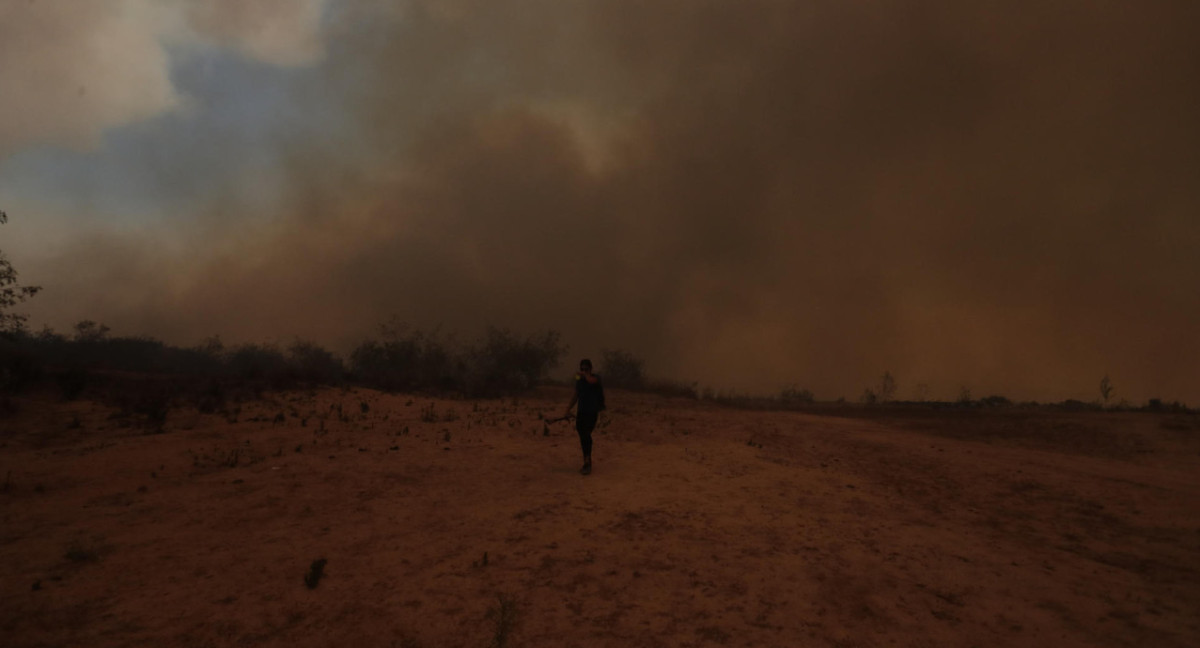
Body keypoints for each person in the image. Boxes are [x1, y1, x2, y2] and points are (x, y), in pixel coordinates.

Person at [564, 358, 605, 475]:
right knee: (583, 435)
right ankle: (587, 460)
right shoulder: (580, 381)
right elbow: (576, 395)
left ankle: (587, 461)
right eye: (581, 369)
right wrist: (568, 409)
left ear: (590, 369)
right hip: (581, 412)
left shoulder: (596, 378)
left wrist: (585, 375)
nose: (583, 371)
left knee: (586, 435)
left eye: (586, 369)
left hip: (592, 412)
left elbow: (592, 381)